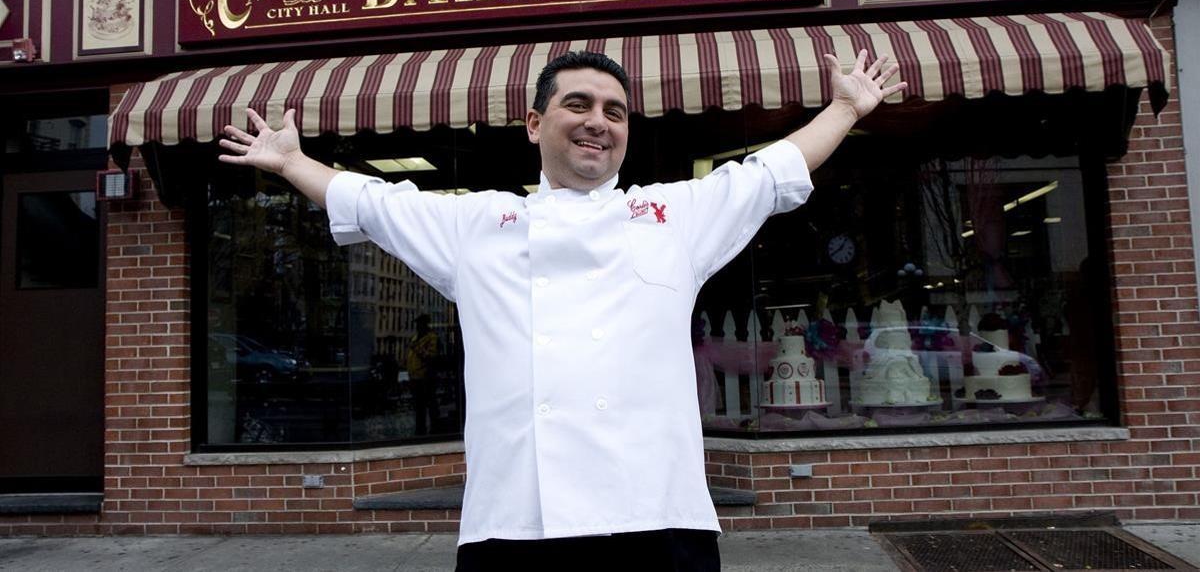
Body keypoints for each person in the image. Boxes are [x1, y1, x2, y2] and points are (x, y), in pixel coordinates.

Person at [218, 49, 905, 571]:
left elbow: (774, 173)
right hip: (517, 525)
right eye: (578, 104)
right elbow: (371, 203)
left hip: (660, 518)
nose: (597, 123)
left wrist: (845, 109)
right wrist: (290, 164)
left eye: (614, 111)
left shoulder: (674, 216)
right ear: (535, 123)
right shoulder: (481, 224)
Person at [407, 314, 440, 435]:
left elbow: (431, 356)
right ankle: (420, 429)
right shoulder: (416, 337)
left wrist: (417, 349)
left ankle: (434, 429)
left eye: (419, 323)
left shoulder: (431, 337)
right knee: (419, 407)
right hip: (415, 377)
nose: (417, 326)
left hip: (426, 377)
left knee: (430, 404)